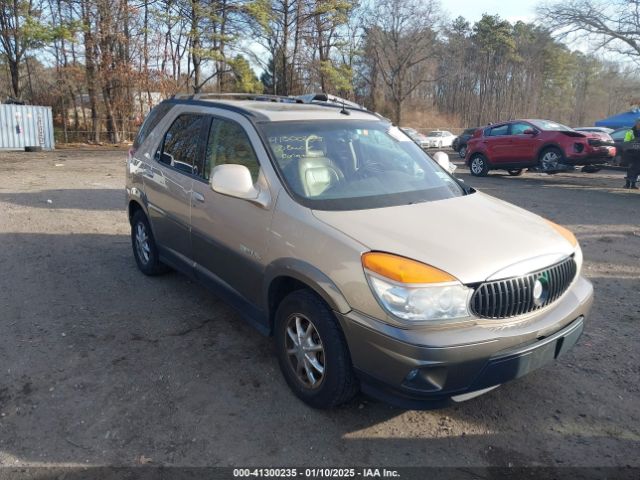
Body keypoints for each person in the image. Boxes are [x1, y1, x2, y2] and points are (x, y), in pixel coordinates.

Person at [623, 118, 640, 189]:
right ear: (636, 124)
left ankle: (633, 185)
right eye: (639, 123)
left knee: (637, 169)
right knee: (630, 169)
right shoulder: (630, 132)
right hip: (631, 153)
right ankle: (627, 184)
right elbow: (626, 142)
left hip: (638, 154)